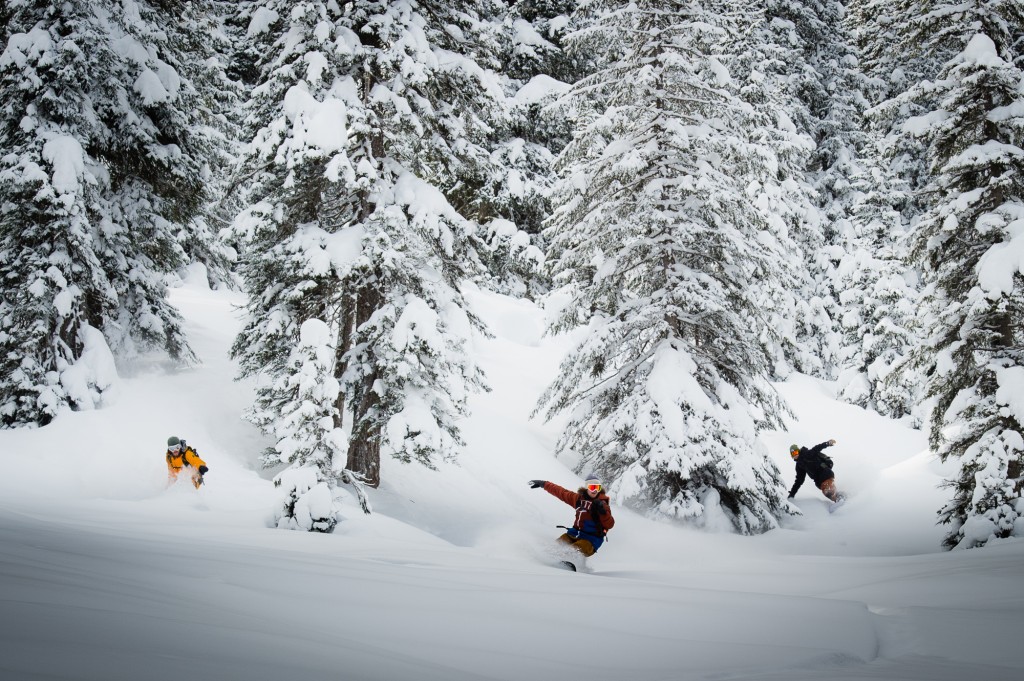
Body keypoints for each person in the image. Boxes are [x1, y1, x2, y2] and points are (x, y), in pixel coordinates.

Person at [528, 473, 614, 557]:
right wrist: (543, 484)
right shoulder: (578, 499)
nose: (595, 490)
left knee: (575, 549)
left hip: (591, 540)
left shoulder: (602, 505)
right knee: (559, 544)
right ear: (587, 487)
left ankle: (568, 563)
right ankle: (545, 558)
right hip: (574, 534)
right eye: (592, 487)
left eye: (597, 487)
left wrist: (603, 513)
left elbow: (610, 524)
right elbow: (561, 492)